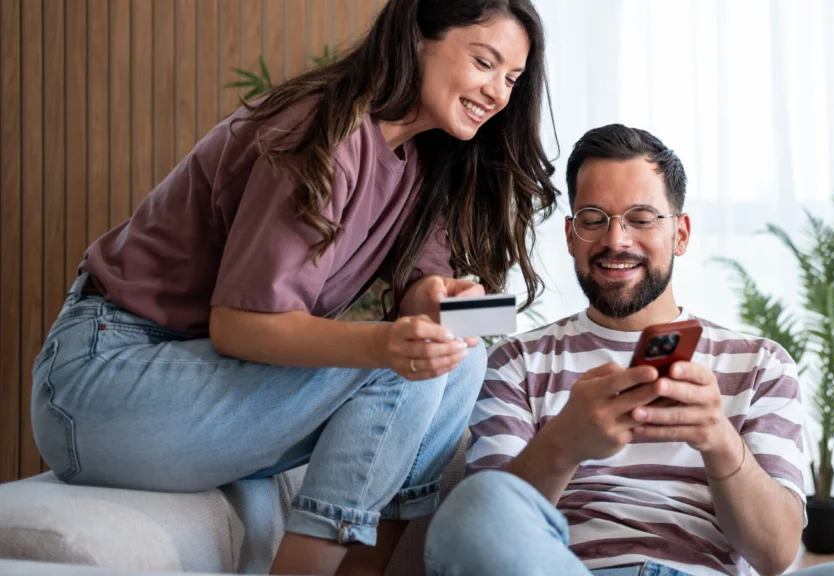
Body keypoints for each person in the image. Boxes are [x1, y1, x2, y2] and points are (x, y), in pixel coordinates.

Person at [29, 0, 557, 574]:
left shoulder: (426, 158)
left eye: (511, 79)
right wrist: (386, 346)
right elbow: (239, 324)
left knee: (459, 358)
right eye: (485, 63)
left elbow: (418, 287)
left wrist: (436, 301)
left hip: (202, 386)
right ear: (418, 36)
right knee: (397, 362)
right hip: (100, 383)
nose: (499, 94)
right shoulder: (321, 129)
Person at [424, 125, 834, 576]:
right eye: (594, 219)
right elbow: (484, 523)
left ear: (680, 235)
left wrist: (719, 440)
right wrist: (564, 444)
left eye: (641, 218)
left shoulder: (760, 363)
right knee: (476, 504)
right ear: (572, 237)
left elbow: (777, 554)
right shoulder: (518, 361)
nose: (616, 239)